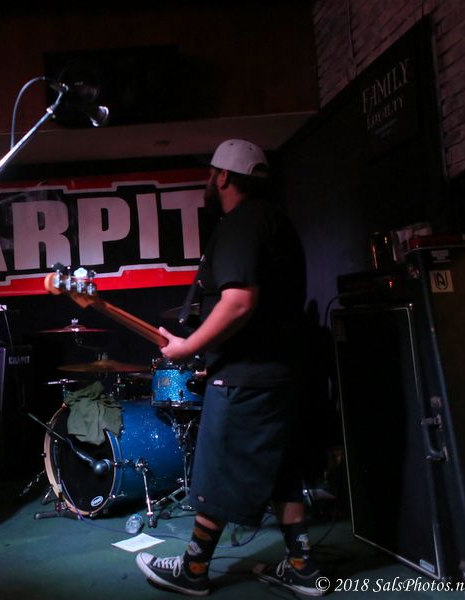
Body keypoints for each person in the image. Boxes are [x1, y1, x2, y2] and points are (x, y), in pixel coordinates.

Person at [135, 139, 325, 597]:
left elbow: (239, 301)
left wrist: (188, 348)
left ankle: (194, 570)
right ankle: (302, 567)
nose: (208, 181)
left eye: (210, 174)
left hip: (245, 379)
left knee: (217, 472)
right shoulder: (277, 222)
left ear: (222, 177)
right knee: (283, 472)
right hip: (283, 375)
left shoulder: (241, 224)